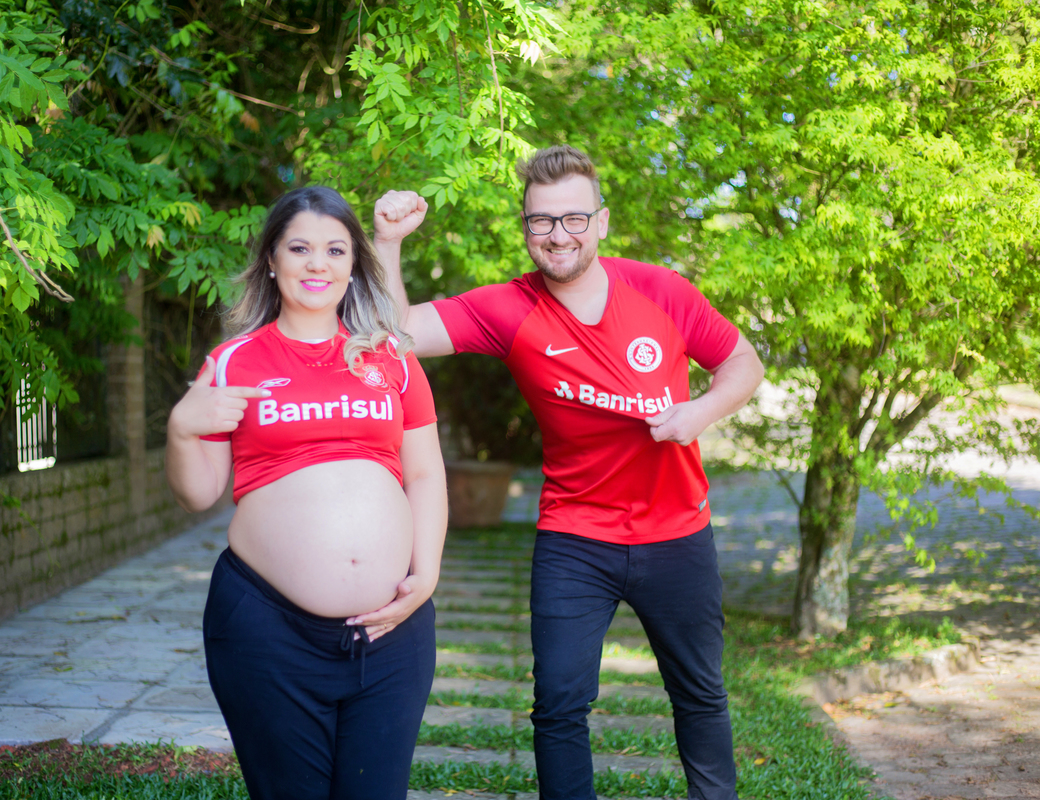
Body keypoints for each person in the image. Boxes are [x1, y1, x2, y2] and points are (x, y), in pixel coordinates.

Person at [372, 145, 765, 800]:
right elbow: (398, 333)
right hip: (575, 539)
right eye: (541, 221)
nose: (558, 235)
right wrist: (387, 243)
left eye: (574, 219)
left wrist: (700, 412)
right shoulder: (509, 308)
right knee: (557, 706)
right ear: (526, 227)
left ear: (601, 222)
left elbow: (744, 363)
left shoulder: (661, 291)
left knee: (700, 694)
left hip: (678, 533)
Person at [165, 186, 448, 800]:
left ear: (353, 264)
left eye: (335, 250)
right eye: (299, 248)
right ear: (272, 259)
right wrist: (182, 429)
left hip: (391, 634)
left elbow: (425, 474)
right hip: (266, 630)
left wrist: (425, 576)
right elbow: (199, 493)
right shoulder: (233, 361)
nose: (318, 263)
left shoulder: (392, 359)